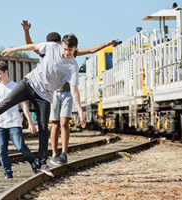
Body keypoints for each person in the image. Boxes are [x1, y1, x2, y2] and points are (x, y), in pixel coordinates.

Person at [0, 34, 86, 177]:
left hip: (44, 96)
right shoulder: (52, 46)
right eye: (65, 49)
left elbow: (74, 89)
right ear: (62, 45)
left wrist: (80, 111)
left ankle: (42, 163)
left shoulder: (72, 66)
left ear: (75, 49)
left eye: (70, 51)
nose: (67, 53)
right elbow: (32, 46)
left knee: (43, 128)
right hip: (29, 84)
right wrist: (13, 49)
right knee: (4, 104)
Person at [21, 20, 118, 165]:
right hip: (52, 94)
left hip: (67, 94)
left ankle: (64, 153)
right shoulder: (47, 53)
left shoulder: (69, 53)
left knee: (65, 122)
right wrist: (26, 31)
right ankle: (54, 154)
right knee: (55, 124)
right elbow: (31, 45)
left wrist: (106, 44)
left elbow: (90, 50)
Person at [0, 61, 38, 179]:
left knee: (20, 146)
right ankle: (7, 174)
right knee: (2, 150)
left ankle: (33, 162)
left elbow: (24, 106)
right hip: (0, 125)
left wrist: (30, 123)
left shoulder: (16, 87)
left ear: (6, 72)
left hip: (14, 123)